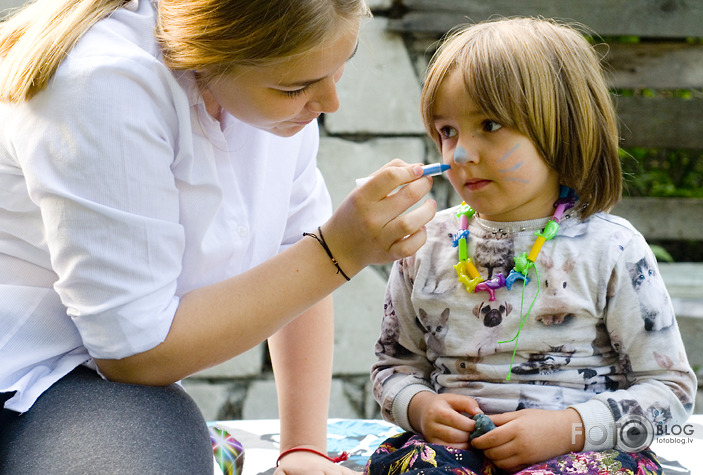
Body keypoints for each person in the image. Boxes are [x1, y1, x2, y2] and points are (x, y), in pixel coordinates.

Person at [0, 0, 438, 473]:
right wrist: (340, 251)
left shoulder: (273, 107)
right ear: (207, 53)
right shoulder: (104, 85)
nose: (331, 103)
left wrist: (304, 449)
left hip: (93, 391)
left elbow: (298, 249)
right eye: (296, 87)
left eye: (340, 67)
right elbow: (134, 355)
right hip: (27, 365)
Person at [366, 17, 696, 474]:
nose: (461, 154)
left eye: (490, 124)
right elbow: (393, 370)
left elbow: (670, 390)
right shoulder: (425, 247)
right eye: (447, 131)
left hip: (581, 454)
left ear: (562, 129)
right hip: (451, 458)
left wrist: (568, 428)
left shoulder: (612, 250)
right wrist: (420, 407)